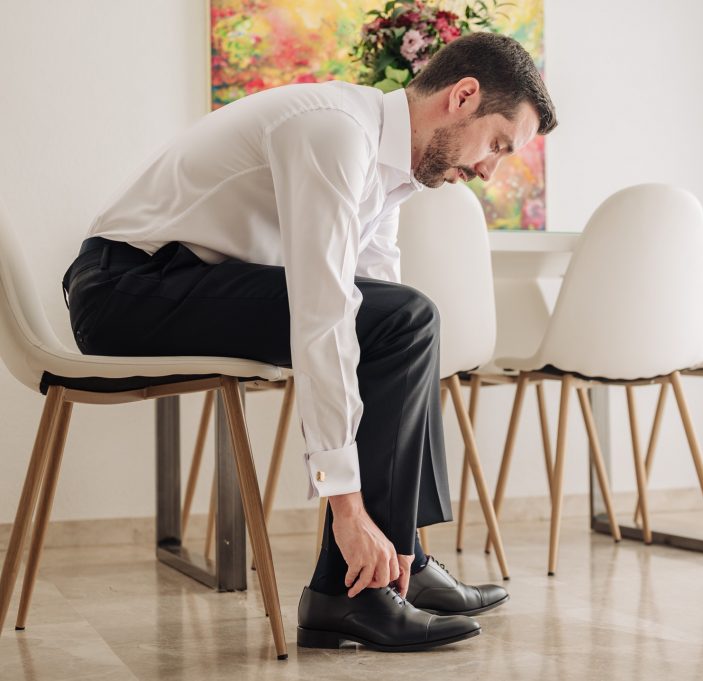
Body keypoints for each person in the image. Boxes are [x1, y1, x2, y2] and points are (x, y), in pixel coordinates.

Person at [60, 32, 557, 652]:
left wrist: (390, 512)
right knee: (405, 321)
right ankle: (347, 593)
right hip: (126, 287)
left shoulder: (391, 167)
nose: (490, 170)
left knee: (408, 325)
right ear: (463, 96)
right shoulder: (334, 132)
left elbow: (377, 301)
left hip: (184, 279)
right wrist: (346, 509)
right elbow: (324, 316)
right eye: (499, 145)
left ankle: (404, 560)